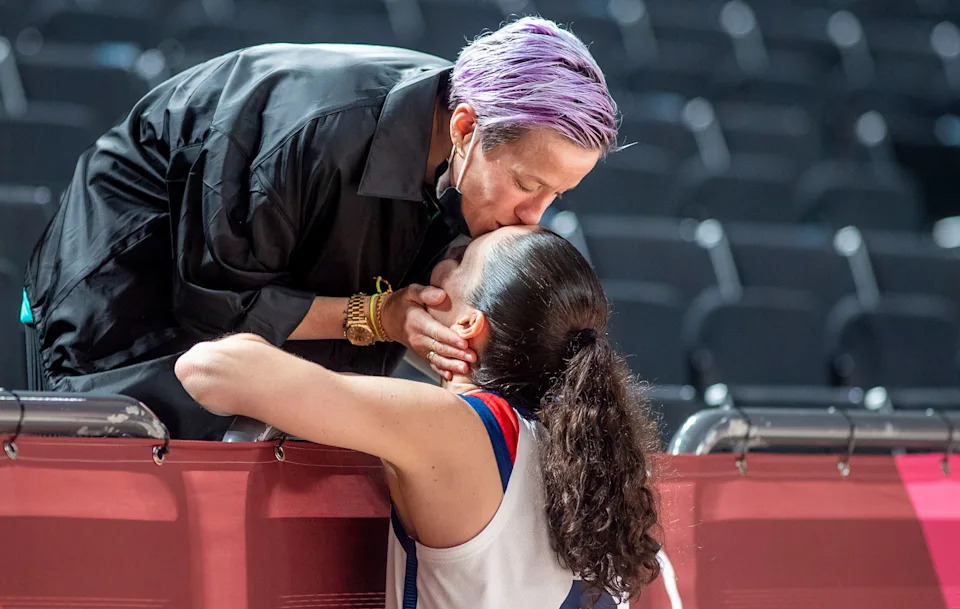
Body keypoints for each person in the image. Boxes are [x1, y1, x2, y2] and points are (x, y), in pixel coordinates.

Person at [22, 17, 618, 439]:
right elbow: (218, 311)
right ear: (464, 128)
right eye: (527, 184)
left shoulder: (470, 129)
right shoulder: (305, 136)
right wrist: (378, 317)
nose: (533, 217)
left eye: (557, 195)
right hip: (129, 304)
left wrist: (440, 295)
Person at [175, 226, 662, 609]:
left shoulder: (462, 429)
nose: (443, 263)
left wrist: (376, 317)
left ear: (469, 323)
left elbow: (209, 369)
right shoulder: (600, 453)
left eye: (462, 260)